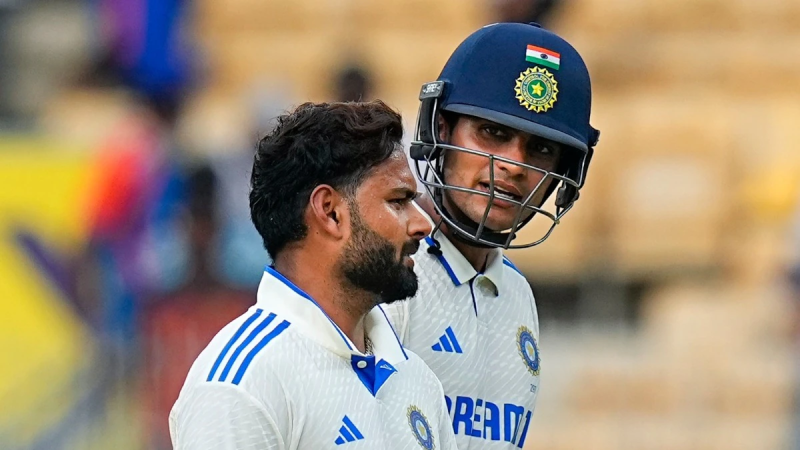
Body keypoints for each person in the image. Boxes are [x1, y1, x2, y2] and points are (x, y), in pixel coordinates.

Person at [169, 100, 458, 450]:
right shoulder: (241, 387)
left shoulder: (418, 380)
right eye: (398, 201)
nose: (422, 224)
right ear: (330, 212)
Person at [384, 22, 600, 448]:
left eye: (541, 149)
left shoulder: (517, 296)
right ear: (441, 128)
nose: (514, 165)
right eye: (494, 133)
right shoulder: (382, 273)